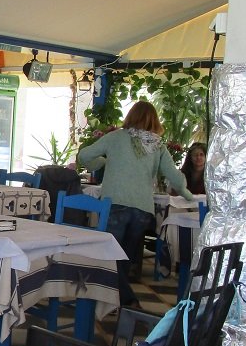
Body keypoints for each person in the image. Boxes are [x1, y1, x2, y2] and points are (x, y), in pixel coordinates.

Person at [76, 100, 192, 308]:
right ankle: (119, 302)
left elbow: (84, 156)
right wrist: (186, 193)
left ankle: (127, 301)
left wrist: (101, 162)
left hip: (115, 204)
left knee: (111, 256)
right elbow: (173, 175)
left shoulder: (115, 137)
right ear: (154, 120)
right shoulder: (157, 145)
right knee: (124, 258)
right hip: (142, 210)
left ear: (130, 116)